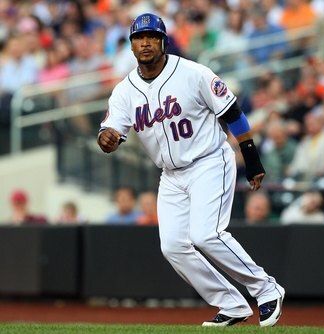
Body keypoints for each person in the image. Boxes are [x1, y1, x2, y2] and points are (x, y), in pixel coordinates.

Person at [97, 13, 285, 327]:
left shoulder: (192, 72)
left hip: (209, 160)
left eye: (151, 37)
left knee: (206, 234)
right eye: (138, 38)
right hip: (170, 175)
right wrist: (107, 138)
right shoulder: (124, 91)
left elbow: (232, 111)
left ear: (163, 41)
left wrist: (250, 156)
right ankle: (232, 305)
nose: (145, 43)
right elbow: (110, 134)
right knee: (172, 246)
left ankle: (266, 289)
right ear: (130, 46)